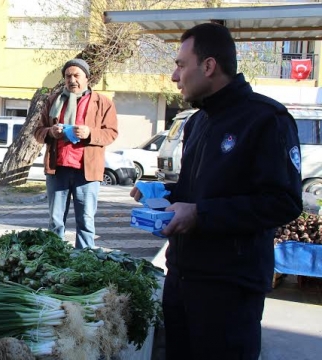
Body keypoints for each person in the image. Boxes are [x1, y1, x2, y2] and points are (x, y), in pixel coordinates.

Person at [130, 23, 303, 359]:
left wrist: (201, 215)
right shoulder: (197, 122)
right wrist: (162, 194)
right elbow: (197, 191)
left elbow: (284, 202)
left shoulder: (266, 119)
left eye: (181, 65)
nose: (174, 77)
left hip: (229, 288)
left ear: (208, 66)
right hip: (182, 277)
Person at [34, 58, 119, 249]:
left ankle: (85, 259)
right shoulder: (53, 100)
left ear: (87, 78)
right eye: (68, 76)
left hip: (87, 172)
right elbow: (38, 132)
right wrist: (50, 132)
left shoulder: (102, 103)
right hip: (58, 169)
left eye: (76, 75)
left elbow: (111, 133)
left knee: (86, 221)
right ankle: (55, 257)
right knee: (55, 222)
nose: (72, 80)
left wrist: (90, 133)